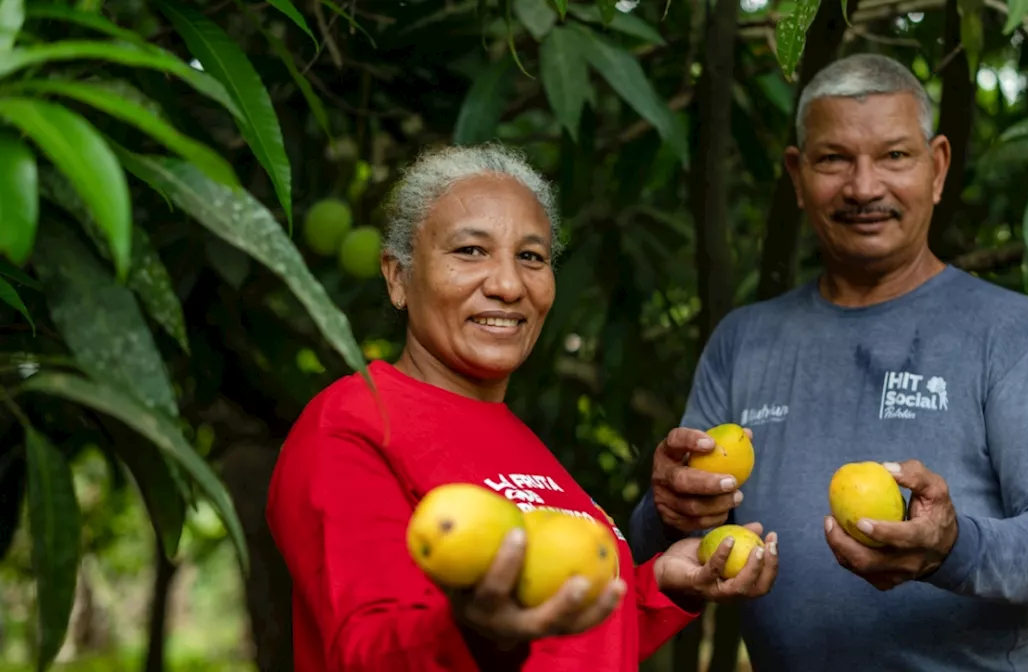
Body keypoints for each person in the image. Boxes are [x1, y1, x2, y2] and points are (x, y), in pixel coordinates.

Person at [628, 53, 1028, 670]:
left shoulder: (1009, 332)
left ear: (936, 168)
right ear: (797, 177)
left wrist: (951, 547)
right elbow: (657, 556)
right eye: (833, 159)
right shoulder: (744, 341)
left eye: (894, 156)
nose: (863, 187)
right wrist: (668, 509)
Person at [266, 144, 780, 672]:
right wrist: (478, 635)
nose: (508, 285)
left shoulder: (525, 442)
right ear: (398, 277)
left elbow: (564, 643)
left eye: (531, 257)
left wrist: (659, 587)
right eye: (470, 251)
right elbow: (366, 654)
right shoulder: (349, 423)